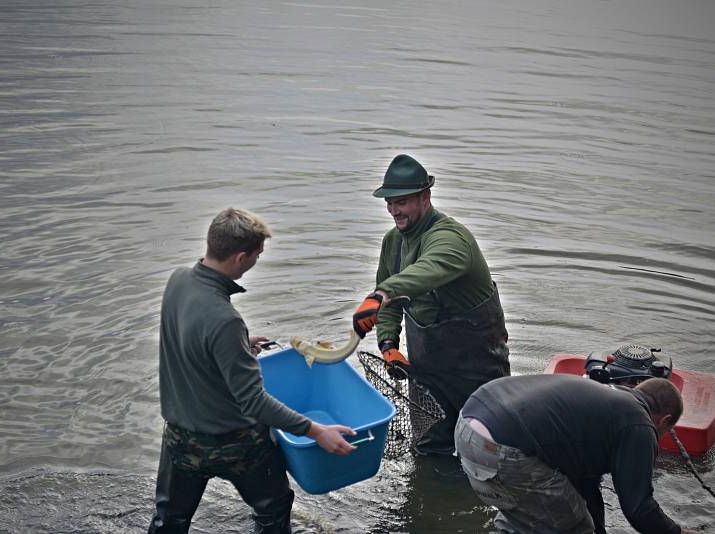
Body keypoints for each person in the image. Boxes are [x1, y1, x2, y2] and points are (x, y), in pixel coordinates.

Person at [148, 208, 356, 534]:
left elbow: (186, 338)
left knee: (170, 519)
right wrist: (317, 431)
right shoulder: (225, 320)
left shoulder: (178, 280)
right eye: (257, 255)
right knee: (272, 509)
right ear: (241, 257)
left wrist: (240, 345)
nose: (257, 261)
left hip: (179, 439)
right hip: (234, 444)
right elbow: (254, 403)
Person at [352, 154, 510, 456]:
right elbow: (391, 303)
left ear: (425, 197)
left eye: (402, 202)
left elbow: (427, 270)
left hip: (476, 371)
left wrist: (381, 294)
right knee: (427, 450)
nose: (394, 210)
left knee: (488, 450)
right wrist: (388, 344)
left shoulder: (451, 239)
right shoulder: (393, 242)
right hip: (426, 372)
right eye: (389, 202)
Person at [454, 374, 701, 534]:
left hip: (469, 422)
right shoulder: (640, 424)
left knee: (526, 518)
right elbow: (638, 509)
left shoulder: (607, 398)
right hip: (503, 446)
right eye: (665, 432)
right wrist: (678, 532)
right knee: (574, 528)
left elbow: (584, 485)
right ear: (665, 420)